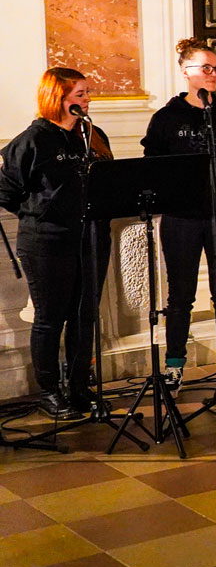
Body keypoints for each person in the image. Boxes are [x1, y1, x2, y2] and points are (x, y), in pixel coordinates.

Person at [0, 68, 113, 418]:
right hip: (46, 242)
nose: (87, 99)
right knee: (50, 318)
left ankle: (79, 388)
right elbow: (6, 192)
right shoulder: (32, 141)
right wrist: (43, 213)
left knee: (84, 317)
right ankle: (49, 392)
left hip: (92, 237)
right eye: (80, 94)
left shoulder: (91, 135)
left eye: (87, 93)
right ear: (58, 98)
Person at [142, 38, 216, 395]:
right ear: (185, 72)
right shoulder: (167, 118)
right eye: (206, 68)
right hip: (181, 218)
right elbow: (153, 165)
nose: (213, 74)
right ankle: (174, 365)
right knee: (180, 295)